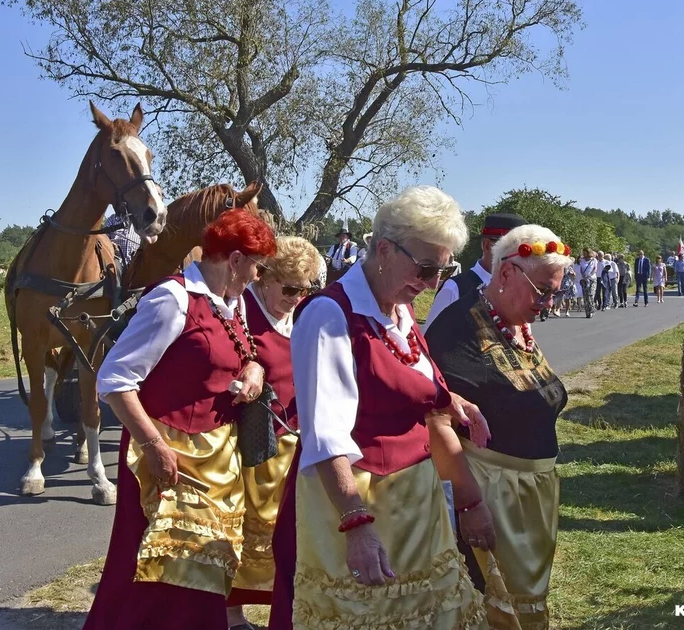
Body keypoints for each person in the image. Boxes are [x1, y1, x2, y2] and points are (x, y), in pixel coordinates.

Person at [270, 186, 490, 629]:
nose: (432, 283)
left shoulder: (399, 311)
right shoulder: (329, 315)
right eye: (425, 268)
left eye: (443, 270)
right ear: (385, 249)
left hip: (416, 504)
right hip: (357, 501)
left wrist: (450, 400)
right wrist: (357, 525)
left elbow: (407, 383)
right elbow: (324, 435)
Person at [83, 209, 277, 630]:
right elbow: (114, 380)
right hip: (168, 455)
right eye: (258, 266)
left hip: (217, 457)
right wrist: (153, 446)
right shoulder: (172, 299)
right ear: (236, 260)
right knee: (163, 572)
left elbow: (243, 352)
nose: (258, 277)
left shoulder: (234, 302)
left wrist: (254, 369)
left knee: (207, 565)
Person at [427, 224, 571, 630]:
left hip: (528, 498)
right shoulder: (457, 329)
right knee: (491, 607)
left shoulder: (516, 322)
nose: (548, 303)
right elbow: (436, 422)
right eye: (543, 292)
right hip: (492, 498)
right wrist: (469, 505)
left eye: (556, 293)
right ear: (506, 272)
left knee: (524, 606)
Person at [226, 236, 322, 630]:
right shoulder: (242, 310)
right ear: (264, 277)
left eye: (304, 290)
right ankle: (231, 615)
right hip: (251, 442)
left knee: (289, 536)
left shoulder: (301, 314)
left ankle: (283, 613)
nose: (297, 298)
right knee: (244, 531)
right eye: (290, 289)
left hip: (295, 441)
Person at [424, 212, 526, 332]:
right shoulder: (454, 289)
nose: (518, 258)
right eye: (511, 250)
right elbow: (429, 338)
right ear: (487, 246)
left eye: (522, 252)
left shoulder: (519, 289)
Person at [578, 249, 597, 319]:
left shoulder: (594, 260)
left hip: (592, 279)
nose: (584, 254)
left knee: (590, 294)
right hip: (584, 280)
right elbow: (581, 270)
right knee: (585, 297)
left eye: (585, 253)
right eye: (583, 253)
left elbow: (595, 269)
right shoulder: (582, 260)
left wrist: (589, 275)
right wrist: (584, 277)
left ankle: (592, 308)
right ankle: (588, 312)